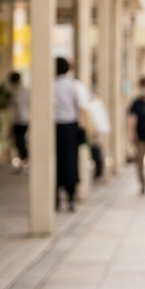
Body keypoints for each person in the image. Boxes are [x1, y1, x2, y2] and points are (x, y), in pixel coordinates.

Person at [53, 57, 90, 212]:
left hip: (54, 128)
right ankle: (71, 196)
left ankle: (55, 197)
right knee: (70, 162)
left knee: (55, 163)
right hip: (70, 128)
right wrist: (87, 129)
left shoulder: (51, 86)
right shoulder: (74, 85)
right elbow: (83, 108)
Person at [8, 72, 30, 172]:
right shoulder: (20, 91)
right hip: (20, 119)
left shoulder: (19, 92)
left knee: (20, 141)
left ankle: (25, 161)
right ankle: (23, 161)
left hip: (22, 119)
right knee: (19, 141)